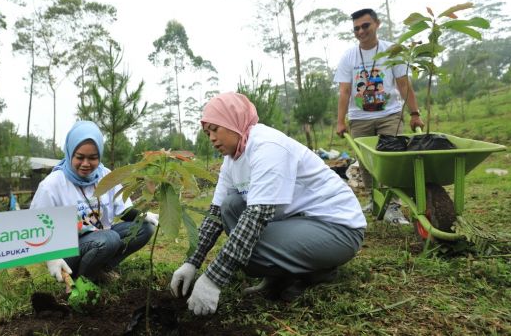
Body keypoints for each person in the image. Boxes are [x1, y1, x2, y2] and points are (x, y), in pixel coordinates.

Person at [169, 92, 366, 316]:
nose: (211, 138)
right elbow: (215, 215)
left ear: (233, 121)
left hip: (337, 229)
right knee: (231, 206)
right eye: (207, 133)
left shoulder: (267, 146)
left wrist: (213, 278)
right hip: (297, 223)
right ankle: (282, 272)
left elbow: (257, 216)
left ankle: (319, 271)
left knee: (245, 250)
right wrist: (191, 262)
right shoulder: (232, 159)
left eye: (215, 129)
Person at [30, 121, 158, 284]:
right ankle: (83, 279)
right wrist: (51, 257)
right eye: (80, 157)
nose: (86, 164)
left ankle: (101, 269)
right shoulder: (52, 185)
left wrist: (143, 216)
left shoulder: (105, 176)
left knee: (144, 228)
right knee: (110, 239)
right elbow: (36, 227)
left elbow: (123, 211)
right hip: (69, 252)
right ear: (69, 153)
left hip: (102, 238)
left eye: (92, 158)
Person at [335, 8, 425, 224]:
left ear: (377, 24)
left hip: (389, 115)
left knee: (391, 159)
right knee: (366, 162)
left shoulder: (391, 52)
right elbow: (345, 91)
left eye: (365, 25)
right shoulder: (349, 56)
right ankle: (375, 201)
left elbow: (404, 84)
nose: (361, 31)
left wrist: (414, 113)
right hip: (359, 117)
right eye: (356, 28)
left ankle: (392, 206)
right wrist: (340, 121)